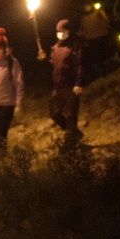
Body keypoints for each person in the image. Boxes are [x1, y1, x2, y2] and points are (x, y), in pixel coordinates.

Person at [49, 19, 86, 149]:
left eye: (62, 31)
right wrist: (43, 59)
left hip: (71, 86)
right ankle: (74, 133)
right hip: (58, 86)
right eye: (58, 31)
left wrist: (78, 83)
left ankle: (71, 145)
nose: (60, 33)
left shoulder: (75, 45)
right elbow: (52, 65)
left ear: (68, 31)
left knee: (71, 115)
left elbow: (80, 65)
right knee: (54, 114)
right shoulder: (55, 47)